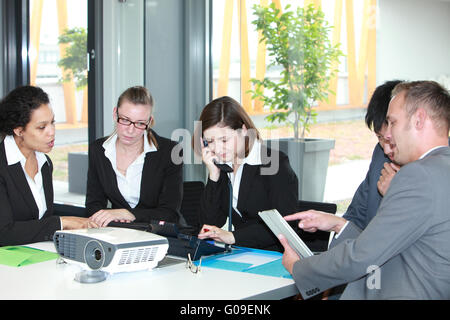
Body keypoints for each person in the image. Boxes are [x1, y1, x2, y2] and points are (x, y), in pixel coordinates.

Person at [279, 80, 450, 299]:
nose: (387, 134)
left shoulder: (418, 175)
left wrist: (299, 268)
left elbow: (362, 256)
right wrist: (339, 224)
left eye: (392, 122)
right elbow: (393, 245)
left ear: (419, 119)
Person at [195, 96, 299, 251]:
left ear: (243, 131)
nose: (217, 149)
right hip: (243, 253)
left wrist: (233, 236)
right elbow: (209, 223)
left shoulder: (275, 163)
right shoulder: (224, 165)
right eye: (210, 141)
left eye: (224, 140)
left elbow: (283, 226)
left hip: (276, 255)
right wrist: (214, 176)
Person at [0, 86, 96, 246]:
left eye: (52, 122)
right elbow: (4, 233)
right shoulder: (3, 165)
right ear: (18, 130)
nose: (52, 132)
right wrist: (62, 222)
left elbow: (39, 219)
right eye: (42, 127)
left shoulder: (45, 163)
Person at [86, 86, 184, 227]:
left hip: (159, 233)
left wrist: (129, 214)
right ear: (115, 114)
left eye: (140, 123)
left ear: (149, 122)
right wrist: (112, 219)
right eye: (125, 120)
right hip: (118, 231)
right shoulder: (98, 150)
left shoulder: (171, 151)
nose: (130, 130)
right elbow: (93, 205)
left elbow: (170, 213)